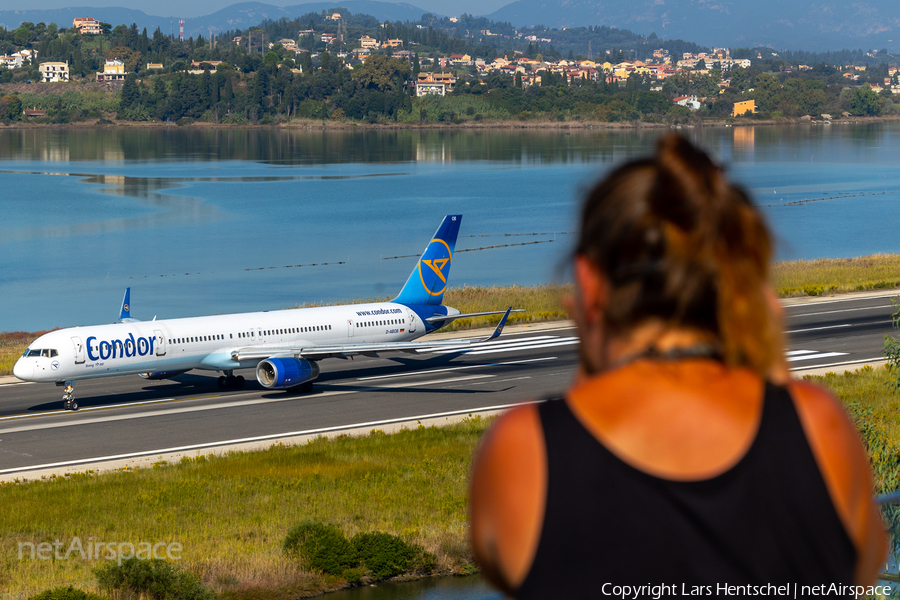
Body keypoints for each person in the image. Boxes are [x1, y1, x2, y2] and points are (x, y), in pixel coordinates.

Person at [468, 134, 887, 598]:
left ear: (589, 280)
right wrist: (771, 369)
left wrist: (590, 360)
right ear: (735, 283)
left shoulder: (525, 450)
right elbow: (862, 567)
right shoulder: (818, 426)